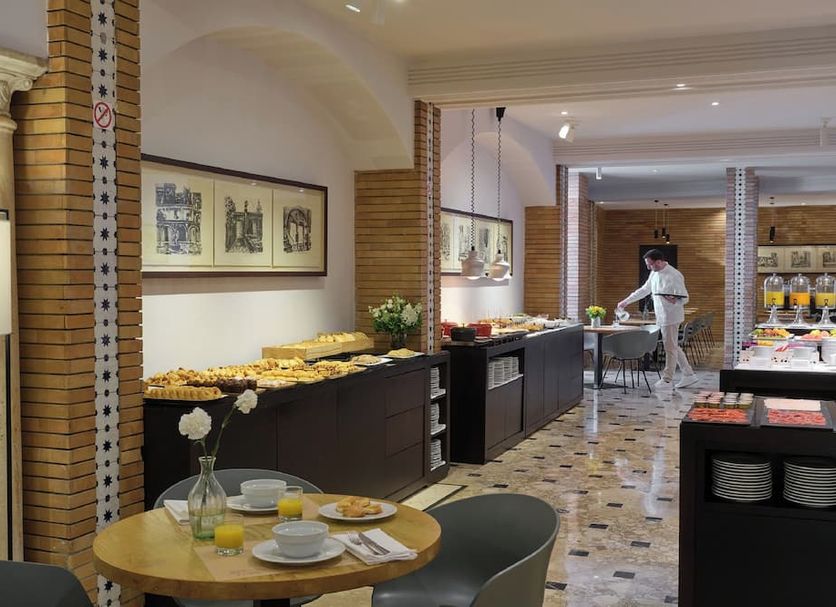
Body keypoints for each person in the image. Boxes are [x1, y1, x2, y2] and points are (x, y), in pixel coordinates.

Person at [617, 249, 697, 390]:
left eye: (650, 264)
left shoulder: (674, 275)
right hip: (662, 315)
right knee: (673, 346)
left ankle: (667, 380)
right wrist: (626, 301)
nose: (648, 267)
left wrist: (675, 300)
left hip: (671, 316)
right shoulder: (654, 273)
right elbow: (644, 290)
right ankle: (688, 374)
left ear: (659, 262)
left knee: (669, 347)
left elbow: (685, 298)